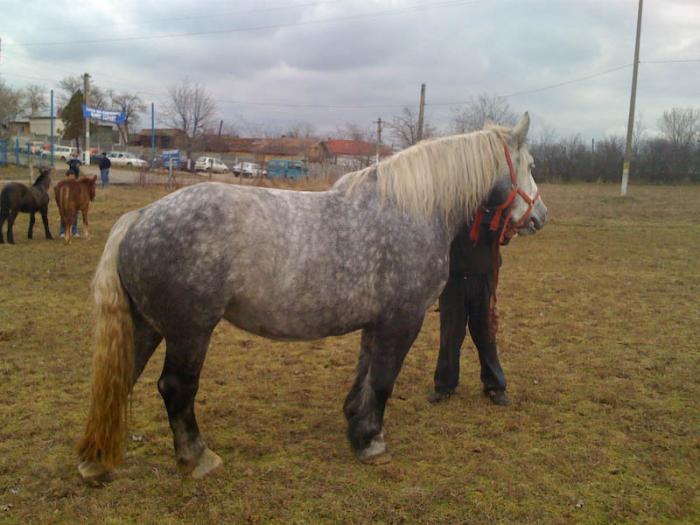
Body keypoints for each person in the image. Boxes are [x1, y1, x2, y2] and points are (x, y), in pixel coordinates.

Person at [428, 210, 510, 406]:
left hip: (482, 278)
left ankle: (494, 385)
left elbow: (501, 238)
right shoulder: (449, 206)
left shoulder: (490, 206)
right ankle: (445, 385)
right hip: (452, 280)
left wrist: (505, 232)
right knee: (450, 335)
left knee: (485, 334)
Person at [60, 153, 81, 238]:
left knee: (75, 217)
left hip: (74, 204)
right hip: (65, 203)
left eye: (72, 176)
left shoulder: (77, 184)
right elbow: (67, 161)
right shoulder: (63, 184)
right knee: (64, 217)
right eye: (69, 176)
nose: (71, 178)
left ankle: (74, 231)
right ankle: (62, 231)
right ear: (67, 176)